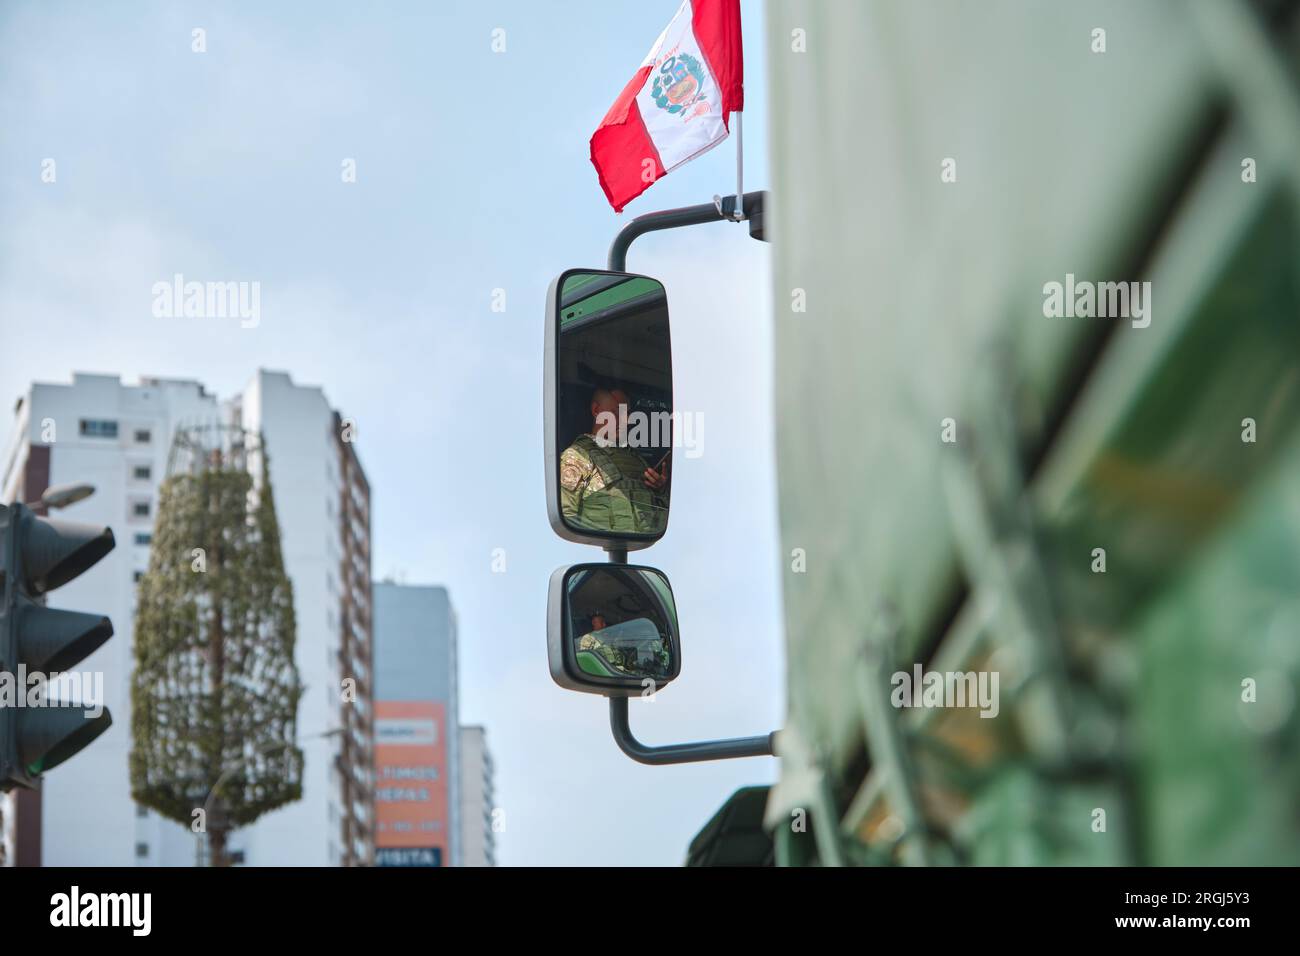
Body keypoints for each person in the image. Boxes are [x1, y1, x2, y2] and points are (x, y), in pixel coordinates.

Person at [559, 387, 668, 534]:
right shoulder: (577, 457)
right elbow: (565, 521)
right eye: (616, 412)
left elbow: (658, 515)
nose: (624, 420)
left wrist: (659, 489)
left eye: (626, 413)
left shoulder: (635, 458)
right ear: (596, 410)